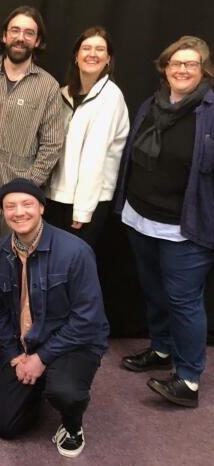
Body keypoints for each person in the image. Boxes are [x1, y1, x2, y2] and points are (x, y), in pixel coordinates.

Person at [115, 36, 214, 408]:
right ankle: (161, 350)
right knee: (154, 291)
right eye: (175, 63)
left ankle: (187, 380)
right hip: (140, 218)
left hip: (186, 229)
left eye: (190, 64)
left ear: (203, 70)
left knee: (184, 301)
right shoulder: (151, 105)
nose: (182, 69)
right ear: (165, 69)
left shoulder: (209, 112)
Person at [0, 178, 109, 458]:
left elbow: (87, 319)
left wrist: (42, 359)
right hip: (25, 344)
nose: (19, 212)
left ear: (41, 207)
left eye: (27, 204)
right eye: (10, 206)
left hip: (74, 343)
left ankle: (72, 424)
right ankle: (39, 384)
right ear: (3, 212)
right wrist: (14, 354)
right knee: (7, 427)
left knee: (66, 392)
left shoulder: (76, 252)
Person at [0, 6, 64, 356]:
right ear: (4, 35)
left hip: (20, 180)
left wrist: (29, 185)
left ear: (37, 41)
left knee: (15, 255)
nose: (21, 37)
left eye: (29, 32)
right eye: (15, 30)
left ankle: (6, 325)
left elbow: (53, 142)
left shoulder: (48, 86)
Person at [45, 26, 129, 247]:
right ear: (76, 56)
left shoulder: (111, 97)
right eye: (86, 48)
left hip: (87, 204)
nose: (92, 54)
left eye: (100, 49)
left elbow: (95, 157)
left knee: (73, 266)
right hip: (56, 198)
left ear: (108, 59)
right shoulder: (64, 95)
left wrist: (82, 211)